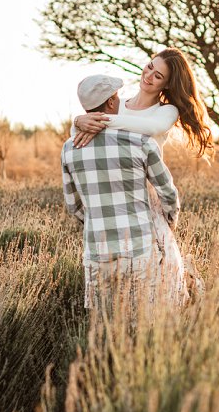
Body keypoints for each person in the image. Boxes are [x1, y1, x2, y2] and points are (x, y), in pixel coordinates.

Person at [71, 48, 213, 299]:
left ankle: (181, 305)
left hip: (144, 195)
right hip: (110, 191)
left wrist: (93, 119)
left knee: (159, 270)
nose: (148, 76)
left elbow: (150, 127)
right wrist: (78, 121)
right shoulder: (117, 103)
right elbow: (80, 141)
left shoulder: (165, 112)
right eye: (149, 66)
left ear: (167, 84)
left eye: (158, 76)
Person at [61, 74, 183, 319]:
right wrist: (169, 221)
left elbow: (73, 205)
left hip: (97, 251)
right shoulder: (140, 142)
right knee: (143, 323)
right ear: (110, 102)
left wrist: (98, 221)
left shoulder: (69, 148)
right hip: (139, 248)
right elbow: (168, 192)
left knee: (106, 325)